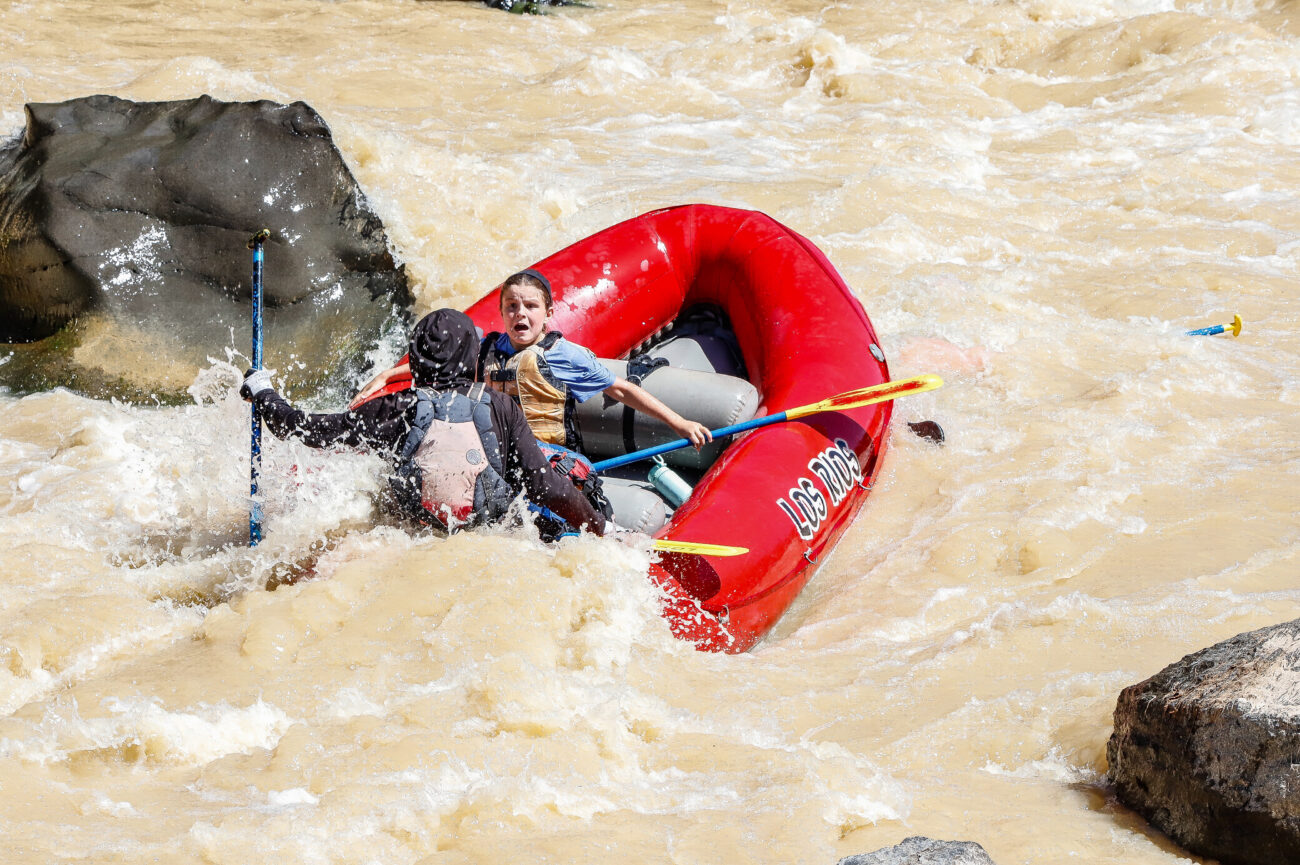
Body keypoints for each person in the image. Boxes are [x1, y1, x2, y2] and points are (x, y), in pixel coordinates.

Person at [242, 308, 607, 536]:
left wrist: (263, 392)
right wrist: (601, 530)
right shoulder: (501, 407)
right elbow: (547, 486)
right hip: (488, 539)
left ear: (415, 359)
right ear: (470, 356)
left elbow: (301, 427)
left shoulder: (392, 408)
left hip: (410, 537)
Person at [351, 269, 713, 455]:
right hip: (499, 456)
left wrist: (679, 422)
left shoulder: (563, 355)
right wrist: (388, 374)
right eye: (511, 306)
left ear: (548, 313)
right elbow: (440, 365)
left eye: (530, 306)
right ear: (502, 312)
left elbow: (620, 389)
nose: (520, 314)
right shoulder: (485, 348)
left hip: (550, 456)